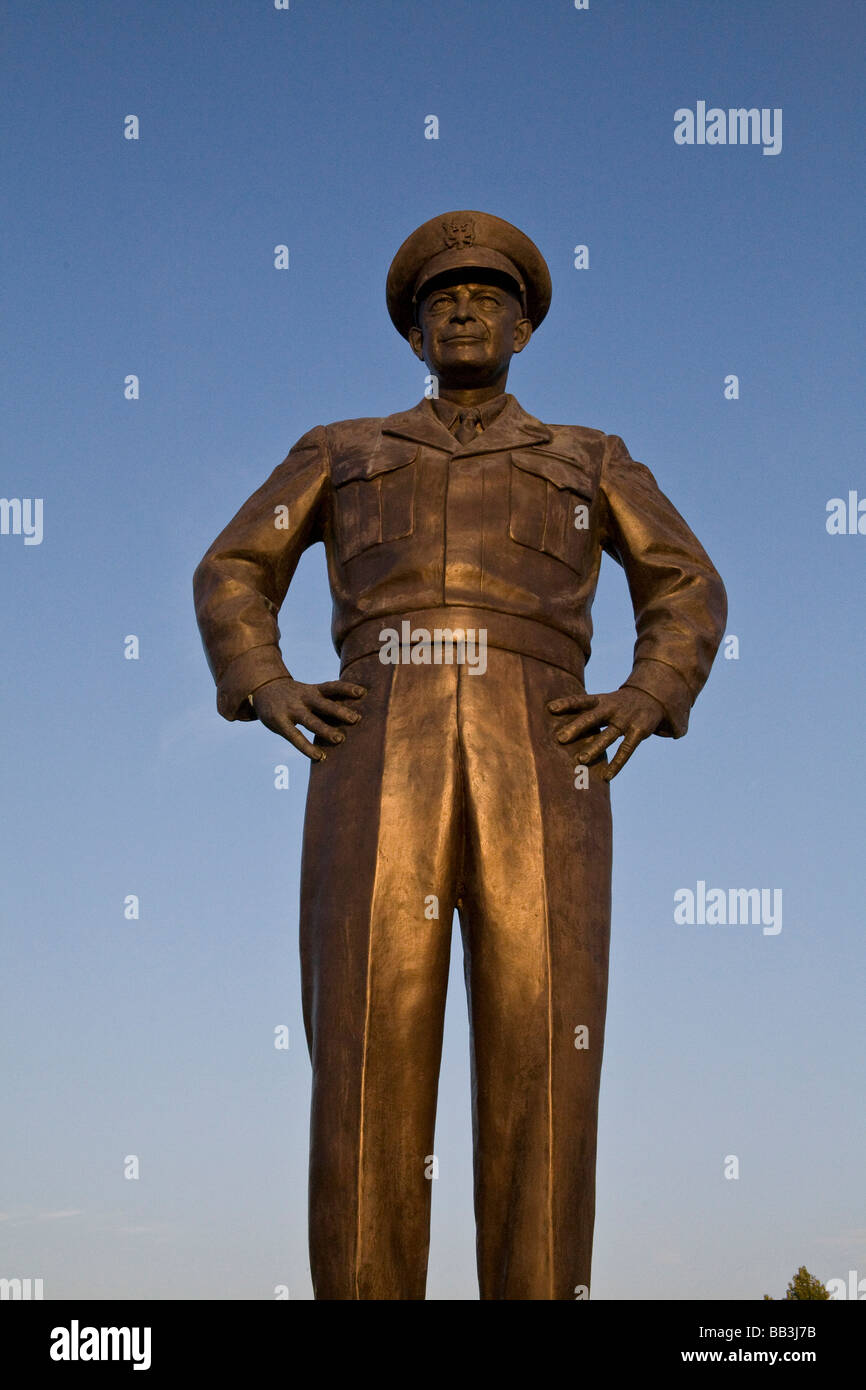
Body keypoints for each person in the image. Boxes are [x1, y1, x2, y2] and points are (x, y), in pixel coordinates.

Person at [193, 210, 727, 1299]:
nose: (463, 311)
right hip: (373, 733)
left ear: (524, 328)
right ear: (412, 337)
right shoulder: (341, 450)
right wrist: (265, 680)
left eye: (487, 297)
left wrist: (646, 692)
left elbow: (686, 582)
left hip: (544, 741)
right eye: (442, 301)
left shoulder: (587, 457)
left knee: (541, 1054)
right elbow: (231, 568)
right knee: (364, 1053)